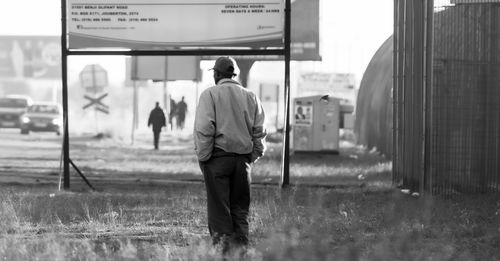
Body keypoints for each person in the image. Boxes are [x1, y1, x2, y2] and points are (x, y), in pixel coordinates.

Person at [193, 56, 266, 253]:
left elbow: (204, 128)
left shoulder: (210, 95)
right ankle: (241, 251)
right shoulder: (250, 96)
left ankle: (224, 253)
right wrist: (250, 157)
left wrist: (204, 157)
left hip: (218, 158)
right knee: (240, 209)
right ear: (233, 74)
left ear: (216, 74)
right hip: (242, 162)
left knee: (219, 209)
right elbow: (259, 131)